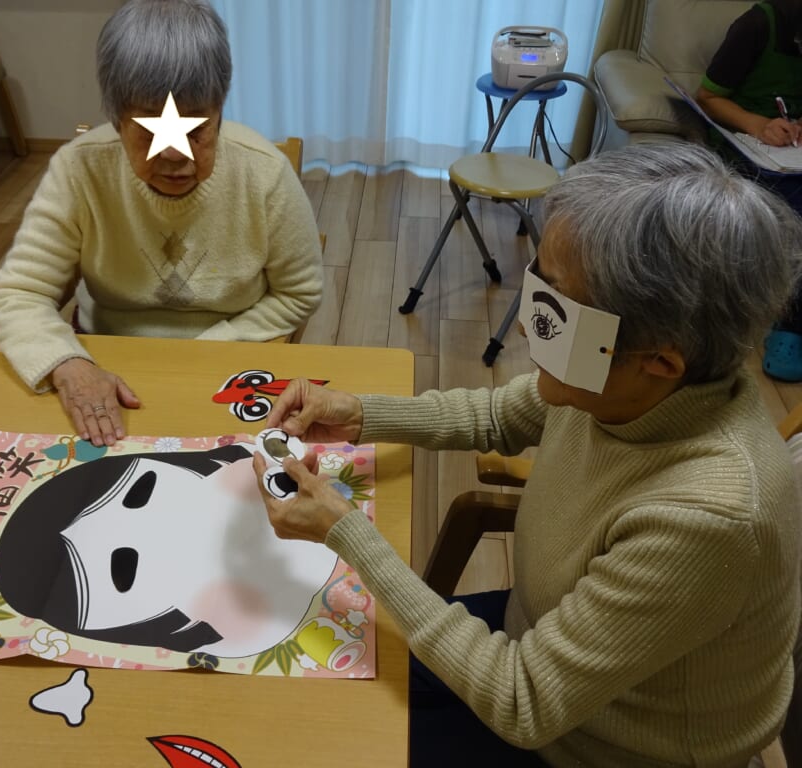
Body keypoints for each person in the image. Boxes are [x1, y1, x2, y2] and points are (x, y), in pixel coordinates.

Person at [252, 143, 802, 767]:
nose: (522, 325)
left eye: (554, 310)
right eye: (537, 285)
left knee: (324, 743)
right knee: (307, 681)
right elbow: (495, 416)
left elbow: (523, 702)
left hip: (592, 746)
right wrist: (361, 415)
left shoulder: (711, 517)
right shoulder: (620, 385)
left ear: (660, 360)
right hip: (535, 641)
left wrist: (347, 531)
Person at [0, 0, 323, 447]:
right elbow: (19, 293)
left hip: (231, 363)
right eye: (148, 132)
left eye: (196, 131)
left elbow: (299, 292)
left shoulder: (264, 173)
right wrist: (68, 363)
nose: (173, 156)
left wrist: (214, 347)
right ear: (115, 121)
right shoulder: (80, 169)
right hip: (104, 359)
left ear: (220, 110)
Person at [696, 0, 802, 381]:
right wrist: (758, 124)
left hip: (791, 149)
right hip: (744, 146)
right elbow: (706, 97)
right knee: (795, 209)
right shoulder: (756, 25)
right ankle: (791, 327)